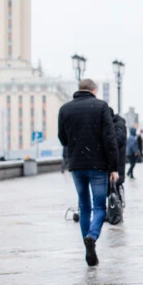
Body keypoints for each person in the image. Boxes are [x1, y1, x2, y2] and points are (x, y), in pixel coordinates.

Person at [57, 79, 119, 267]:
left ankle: (87, 247)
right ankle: (92, 237)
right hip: (98, 165)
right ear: (94, 90)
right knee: (99, 207)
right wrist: (114, 167)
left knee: (84, 207)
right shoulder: (101, 107)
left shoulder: (65, 109)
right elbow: (109, 138)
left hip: (77, 164)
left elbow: (62, 138)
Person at [112, 110, 127, 186]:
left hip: (117, 161)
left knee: (117, 184)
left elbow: (119, 140)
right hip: (116, 162)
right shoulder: (117, 124)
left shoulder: (118, 125)